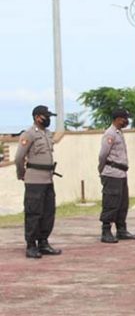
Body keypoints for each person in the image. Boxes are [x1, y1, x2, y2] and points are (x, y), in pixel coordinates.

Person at [15, 105, 62, 258]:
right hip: (34, 179)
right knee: (33, 213)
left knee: (48, 213)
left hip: (48, 179)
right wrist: (22, 174)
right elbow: (19, 158)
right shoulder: (28, 134)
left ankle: (43, 242)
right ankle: (31, 245)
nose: (48, 119)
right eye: (45, 116)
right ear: (37, 117)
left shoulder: (47, 134)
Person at [98, 109, 135, 244]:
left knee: (122, 203)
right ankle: (106, 231)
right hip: (112, 173)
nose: (127, 121)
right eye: (125, 119)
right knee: (111, 202)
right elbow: (103, 154)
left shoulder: (118, 133)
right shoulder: (109, 134)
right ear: (118, 119)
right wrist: (101, 168)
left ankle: (121, 229)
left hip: (121, 173)